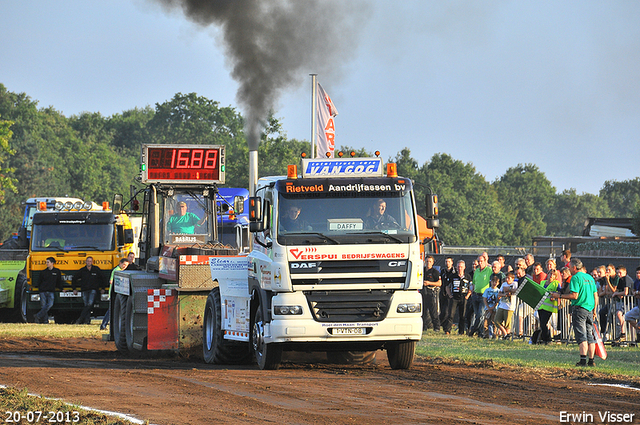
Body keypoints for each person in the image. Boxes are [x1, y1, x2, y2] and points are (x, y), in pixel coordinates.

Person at [550, 258, 598, 367]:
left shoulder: (575, 278)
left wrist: (559, 296)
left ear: (575, 268)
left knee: (582, 336)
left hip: (580, 308)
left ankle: (582, 361)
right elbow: (596, 296)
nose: (569, 269)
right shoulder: (589, 277)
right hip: (590, 309)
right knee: (590, 336)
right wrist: (595, 310)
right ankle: (591, 361)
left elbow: (574, 295)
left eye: (570, 267)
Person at [72, 256, 104, 324]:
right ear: (86, 262)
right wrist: (74, 288)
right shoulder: (82, 270)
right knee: (86, 305)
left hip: (93, 290)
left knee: (89, 304)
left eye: (90, 261)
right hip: (84, 290)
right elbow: (74, 278)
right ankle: (87, 320)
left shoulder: (96, 269)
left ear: (92, 262)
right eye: (88, 261)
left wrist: (103, 288)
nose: (89, 262)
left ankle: (80, 319)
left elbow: (103, 278)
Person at [101, 258, 130, 330]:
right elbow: (111, 281)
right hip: (114, 294)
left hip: (116, 294)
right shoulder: (117, 271)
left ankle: (105, 325)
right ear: (120, 263)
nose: (124, 266)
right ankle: (103, 325)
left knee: (111, 310)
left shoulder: (120, 271)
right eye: (123, 265)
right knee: (110, 311)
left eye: (126, 265)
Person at [444, 260, 471, 335]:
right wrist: (450, 295)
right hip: (454, 298)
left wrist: (468, 295)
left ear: (464, 267)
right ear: (456, 267)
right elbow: (447, 287)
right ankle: (447, 330)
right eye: (458, 267)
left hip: (463, 297)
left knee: (462, 315)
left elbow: (471, 287)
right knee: (450, 315)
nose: (460, 268)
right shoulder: (453, 276)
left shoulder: (468, 277)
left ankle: (461, 331)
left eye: (461, 267)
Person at [468, 255, 491, 337]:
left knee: (480, 315)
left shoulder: (489, 270)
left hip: (483, 296)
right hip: (476, 295)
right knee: (478, 315)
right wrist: (472, 292)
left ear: (485, 261)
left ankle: (472, 330)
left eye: (482, 261)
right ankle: (480, 333)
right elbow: (474, 282)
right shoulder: (477, 271)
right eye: (479, 261)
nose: (480, 263)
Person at [34, 257, 63, 324]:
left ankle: (38, 316)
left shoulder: (57, 271)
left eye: (48, 262)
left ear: (52, 263)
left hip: (51, 291)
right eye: (46, 262)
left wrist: (62, 289)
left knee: (49, 305)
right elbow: (39, 281)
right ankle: (45, 321)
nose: (47, 264)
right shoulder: (43, 272)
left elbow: (59, 282)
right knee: (43, 306)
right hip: (43, 291)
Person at [535, 271, 560, 344]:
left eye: (553, 275)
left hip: (549, 306)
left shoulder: (556, 284)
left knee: (543, 323)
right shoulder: (542, 282)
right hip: (541, 306)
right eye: (550, 274)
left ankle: (548, 339)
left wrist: (554, 295)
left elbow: (559, 292)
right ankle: (544, 339)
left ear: (555, 276)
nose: (551, 275)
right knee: (542, 324)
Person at [612, 265, 633, 341]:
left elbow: (626, 292)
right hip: (623, 302)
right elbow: (618, 291)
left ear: (625, 272)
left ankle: (632, 339)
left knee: (630, 320)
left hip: (630, 303)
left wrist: (617, 294)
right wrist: (618, 294)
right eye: (617, 273)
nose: (618, 274)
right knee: (619, 313)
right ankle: (622, 333)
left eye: (620, 273)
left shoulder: (626, 279)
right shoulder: (620, 280)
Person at [495, 271, 518, 339]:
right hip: (502, 305)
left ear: (512, 278)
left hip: (509, 306)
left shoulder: (515, 283)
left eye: (509, 278)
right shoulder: (504, 284)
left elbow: (515, 291)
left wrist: (509, 290)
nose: (507, 279)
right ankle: (505, 333)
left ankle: (507, 336)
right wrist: (504, 294)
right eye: (506, 278)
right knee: (496, 320)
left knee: (507, 322)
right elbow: (499, 293)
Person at [422, 255, 441, 332]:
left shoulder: (435, 272)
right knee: (423, 311)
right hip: (422, 292)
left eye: (430, 262)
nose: (428, 263)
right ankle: (423, 327)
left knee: (433, 311)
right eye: (427, 261)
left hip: (431, 293)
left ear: (433, 263)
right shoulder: (421, 270)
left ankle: (436, 327)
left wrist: (429, 283)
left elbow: (439, 283)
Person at [439, 257, 455, 331]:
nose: (447, 263)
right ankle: (443, 325)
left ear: (452, 263)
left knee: (447, 311)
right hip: (442, 293)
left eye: (449, 261)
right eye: (446, 261)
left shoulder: (454, 272)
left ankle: (446, 327)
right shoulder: (443, 271)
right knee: (442, 310)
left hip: (450, 293)